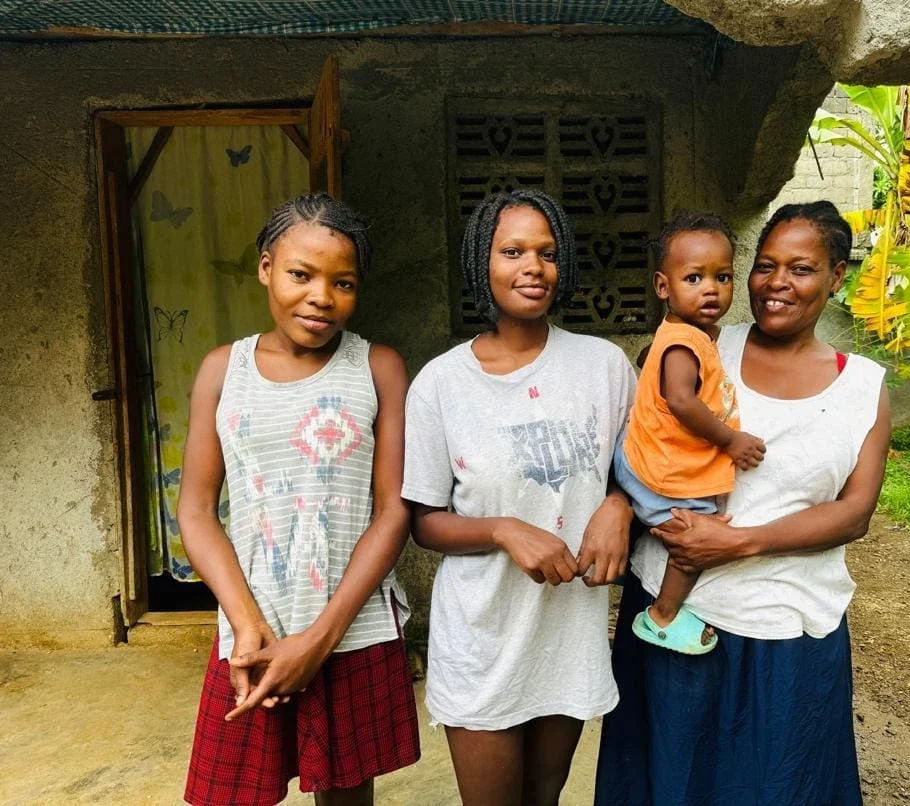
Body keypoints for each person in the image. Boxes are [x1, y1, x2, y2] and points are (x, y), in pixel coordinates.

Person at [595, 201, 891, 805]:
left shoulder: (863, 387)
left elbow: (854, 512)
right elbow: (636, 444)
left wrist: (740, 541)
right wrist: (617, 506)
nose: (776, 283)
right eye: (765, 265)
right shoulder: (700, 344)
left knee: (780, 788)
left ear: (837, 276)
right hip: (675, 619)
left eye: (801, 269)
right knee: (670, 786)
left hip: (789, 633)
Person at [178, 193, 420, 806]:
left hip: (351, 628)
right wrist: (246, 625)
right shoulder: (221, 371)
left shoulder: (379, 367)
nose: (321, 296)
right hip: (251, 630)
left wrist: (318, 641)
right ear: (265, 268)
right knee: (230, 791)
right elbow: (197, 511)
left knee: (343, 793)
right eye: (300, 274)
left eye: (344, 282)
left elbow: (393, 511)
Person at [402, 189, 636, 805]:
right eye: (512, 251)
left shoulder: (604, 366)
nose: (533, 266)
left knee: (545, 799)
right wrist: (505, 529)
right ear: (483, 262)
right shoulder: (442, 384)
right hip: (483, 633)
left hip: (566, 630)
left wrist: (618, 505)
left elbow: (642, 469)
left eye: (547, 253)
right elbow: (425, 521)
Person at [614, 212, 766, 655]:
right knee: (695, 538)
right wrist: (730, 440)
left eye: (722, 277)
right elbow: (681, 401)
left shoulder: (687, 334)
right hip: (660, 471)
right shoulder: (683, 343)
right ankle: (662, 616)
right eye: (694, 278)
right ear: (664, 287)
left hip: (641, 458)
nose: (711, 289)